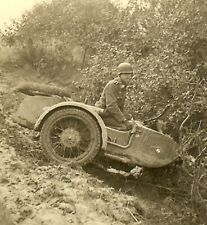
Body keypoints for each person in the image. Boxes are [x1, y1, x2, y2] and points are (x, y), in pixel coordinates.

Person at [95, 62, 134, 130]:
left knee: (133, 122)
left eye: (129, 74)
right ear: (119, 75)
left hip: (110, 114)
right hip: (102, 114)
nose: (128, 76)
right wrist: (124, 120)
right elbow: (111, 106)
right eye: (125, 74)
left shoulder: (123, 87)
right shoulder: (112, 85)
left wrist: (129, 117)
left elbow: (120, 107)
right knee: (124, 127)